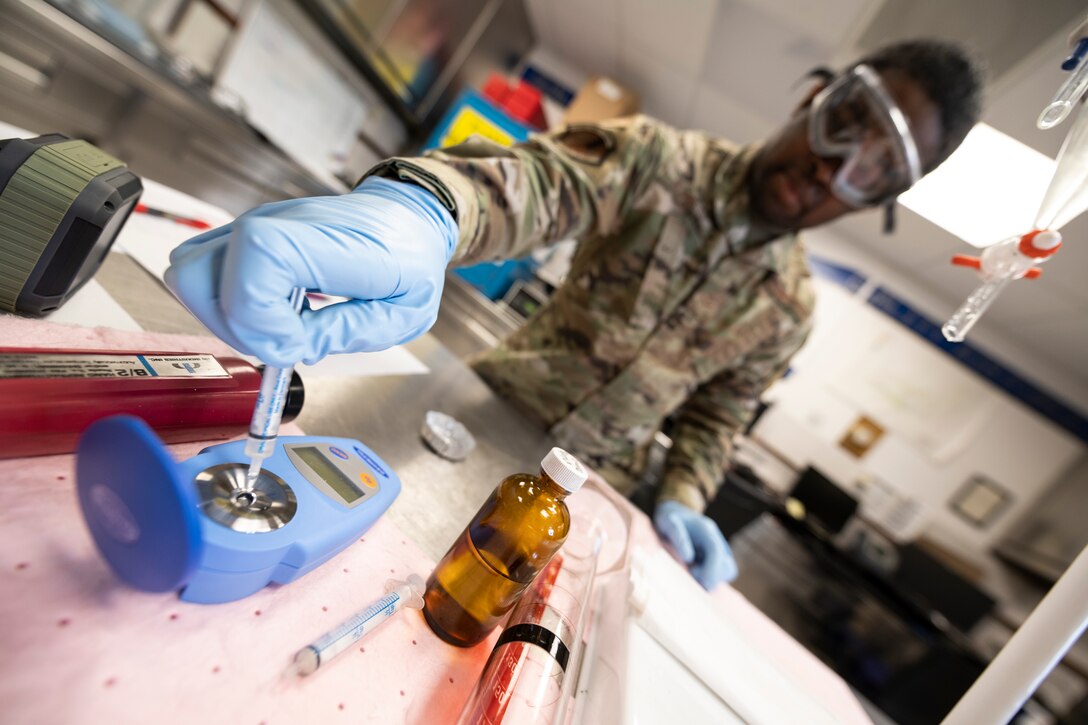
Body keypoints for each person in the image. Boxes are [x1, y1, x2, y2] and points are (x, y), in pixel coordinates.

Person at [165, 39, 982, 590]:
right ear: (816, 96)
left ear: (881, 201)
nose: (828, 168)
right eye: (845, 125)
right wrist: (427, 211)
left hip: (588, 491)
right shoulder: (662, 161)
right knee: (329, 556)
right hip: (470, 415)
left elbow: (718, 414)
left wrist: (688, 493)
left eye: (872, 170)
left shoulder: (791, 310)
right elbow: (539, 185)